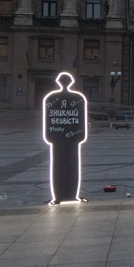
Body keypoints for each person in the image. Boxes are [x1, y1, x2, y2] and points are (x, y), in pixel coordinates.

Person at [42, 72, 89, 204]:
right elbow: (79, 120)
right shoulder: (77, 97)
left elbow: (49, 121)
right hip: (71, 140)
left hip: (58, 139)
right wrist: (79, 135)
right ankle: (69, 195)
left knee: (58, 167)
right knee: (72, 167)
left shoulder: (51, 98)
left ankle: (60, 196)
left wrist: (51, 136)